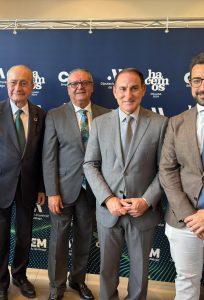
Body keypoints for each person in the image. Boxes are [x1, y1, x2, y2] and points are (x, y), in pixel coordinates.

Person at [83, 68, 168, 300]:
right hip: (109, 212)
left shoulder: (160, 124)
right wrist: (108, 199)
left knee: (139, 272)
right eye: (122, 89)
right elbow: (90, 164)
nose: (128, 94)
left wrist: (146, 201)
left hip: (143, 213)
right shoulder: (100, 124)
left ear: (143, 90)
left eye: (133, 88)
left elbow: (165, 170)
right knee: (107, 270)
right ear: (114, 91)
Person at [0, 65, 46, 300]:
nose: (18, 87)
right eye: (14, 82)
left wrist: (41, 187)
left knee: (24, 236)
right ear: (6, 85)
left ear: (32, 86)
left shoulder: (39, 114)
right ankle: (0, 283)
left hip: (27, 187)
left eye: (24, 83)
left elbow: (43, 156)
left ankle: (20, 275)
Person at [42, 68, 109, 300]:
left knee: (84, 239)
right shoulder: (55, 115)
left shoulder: (106, 114)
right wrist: (52, 192)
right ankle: (56, 286)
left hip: (93, 190)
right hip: (62, 191)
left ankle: (77, 281)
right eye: (74, 84)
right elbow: (48, 156)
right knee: (59, 240)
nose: (79, 87)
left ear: (92, 87)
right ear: (68, 88)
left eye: (84, 83)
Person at [159, 52, 204, 299]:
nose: (202, 87)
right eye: (197, 81)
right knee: (187, 282)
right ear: (190, 84)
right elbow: (167, 170)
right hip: (184, 221)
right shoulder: (177, 122)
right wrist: (189, 214)